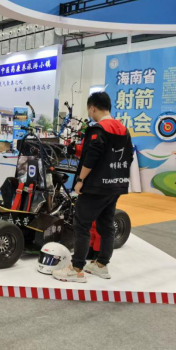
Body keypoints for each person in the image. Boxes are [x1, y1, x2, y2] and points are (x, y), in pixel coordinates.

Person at [53, 92, 133, 283]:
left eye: (89, 110)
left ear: (93, 108)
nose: (89, 113)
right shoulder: (123, 129)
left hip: (95, 186)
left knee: (82, 225)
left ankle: (77, 268)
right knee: (106, 224)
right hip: (115, 185)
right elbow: (129, 156)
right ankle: (101, 265)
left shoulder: (97, 129)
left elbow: (92, 156)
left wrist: (80, 179)